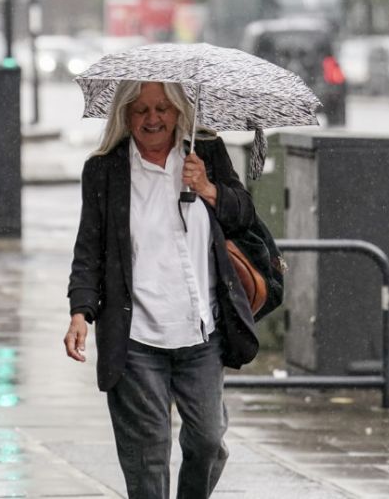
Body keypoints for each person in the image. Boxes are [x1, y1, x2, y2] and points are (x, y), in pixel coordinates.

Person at [64, 80, 259, 499]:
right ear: (124, 117)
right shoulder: (105, 170)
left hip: (201, 333)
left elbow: (244, 216)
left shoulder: (204, 151)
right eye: (140, 110)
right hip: (136, 339)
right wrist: (81, 311)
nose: (152, 119)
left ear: (178, 112)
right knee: (148, 456)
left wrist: (208, 188)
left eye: (162, 108)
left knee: (207, 441)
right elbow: (89, 248)